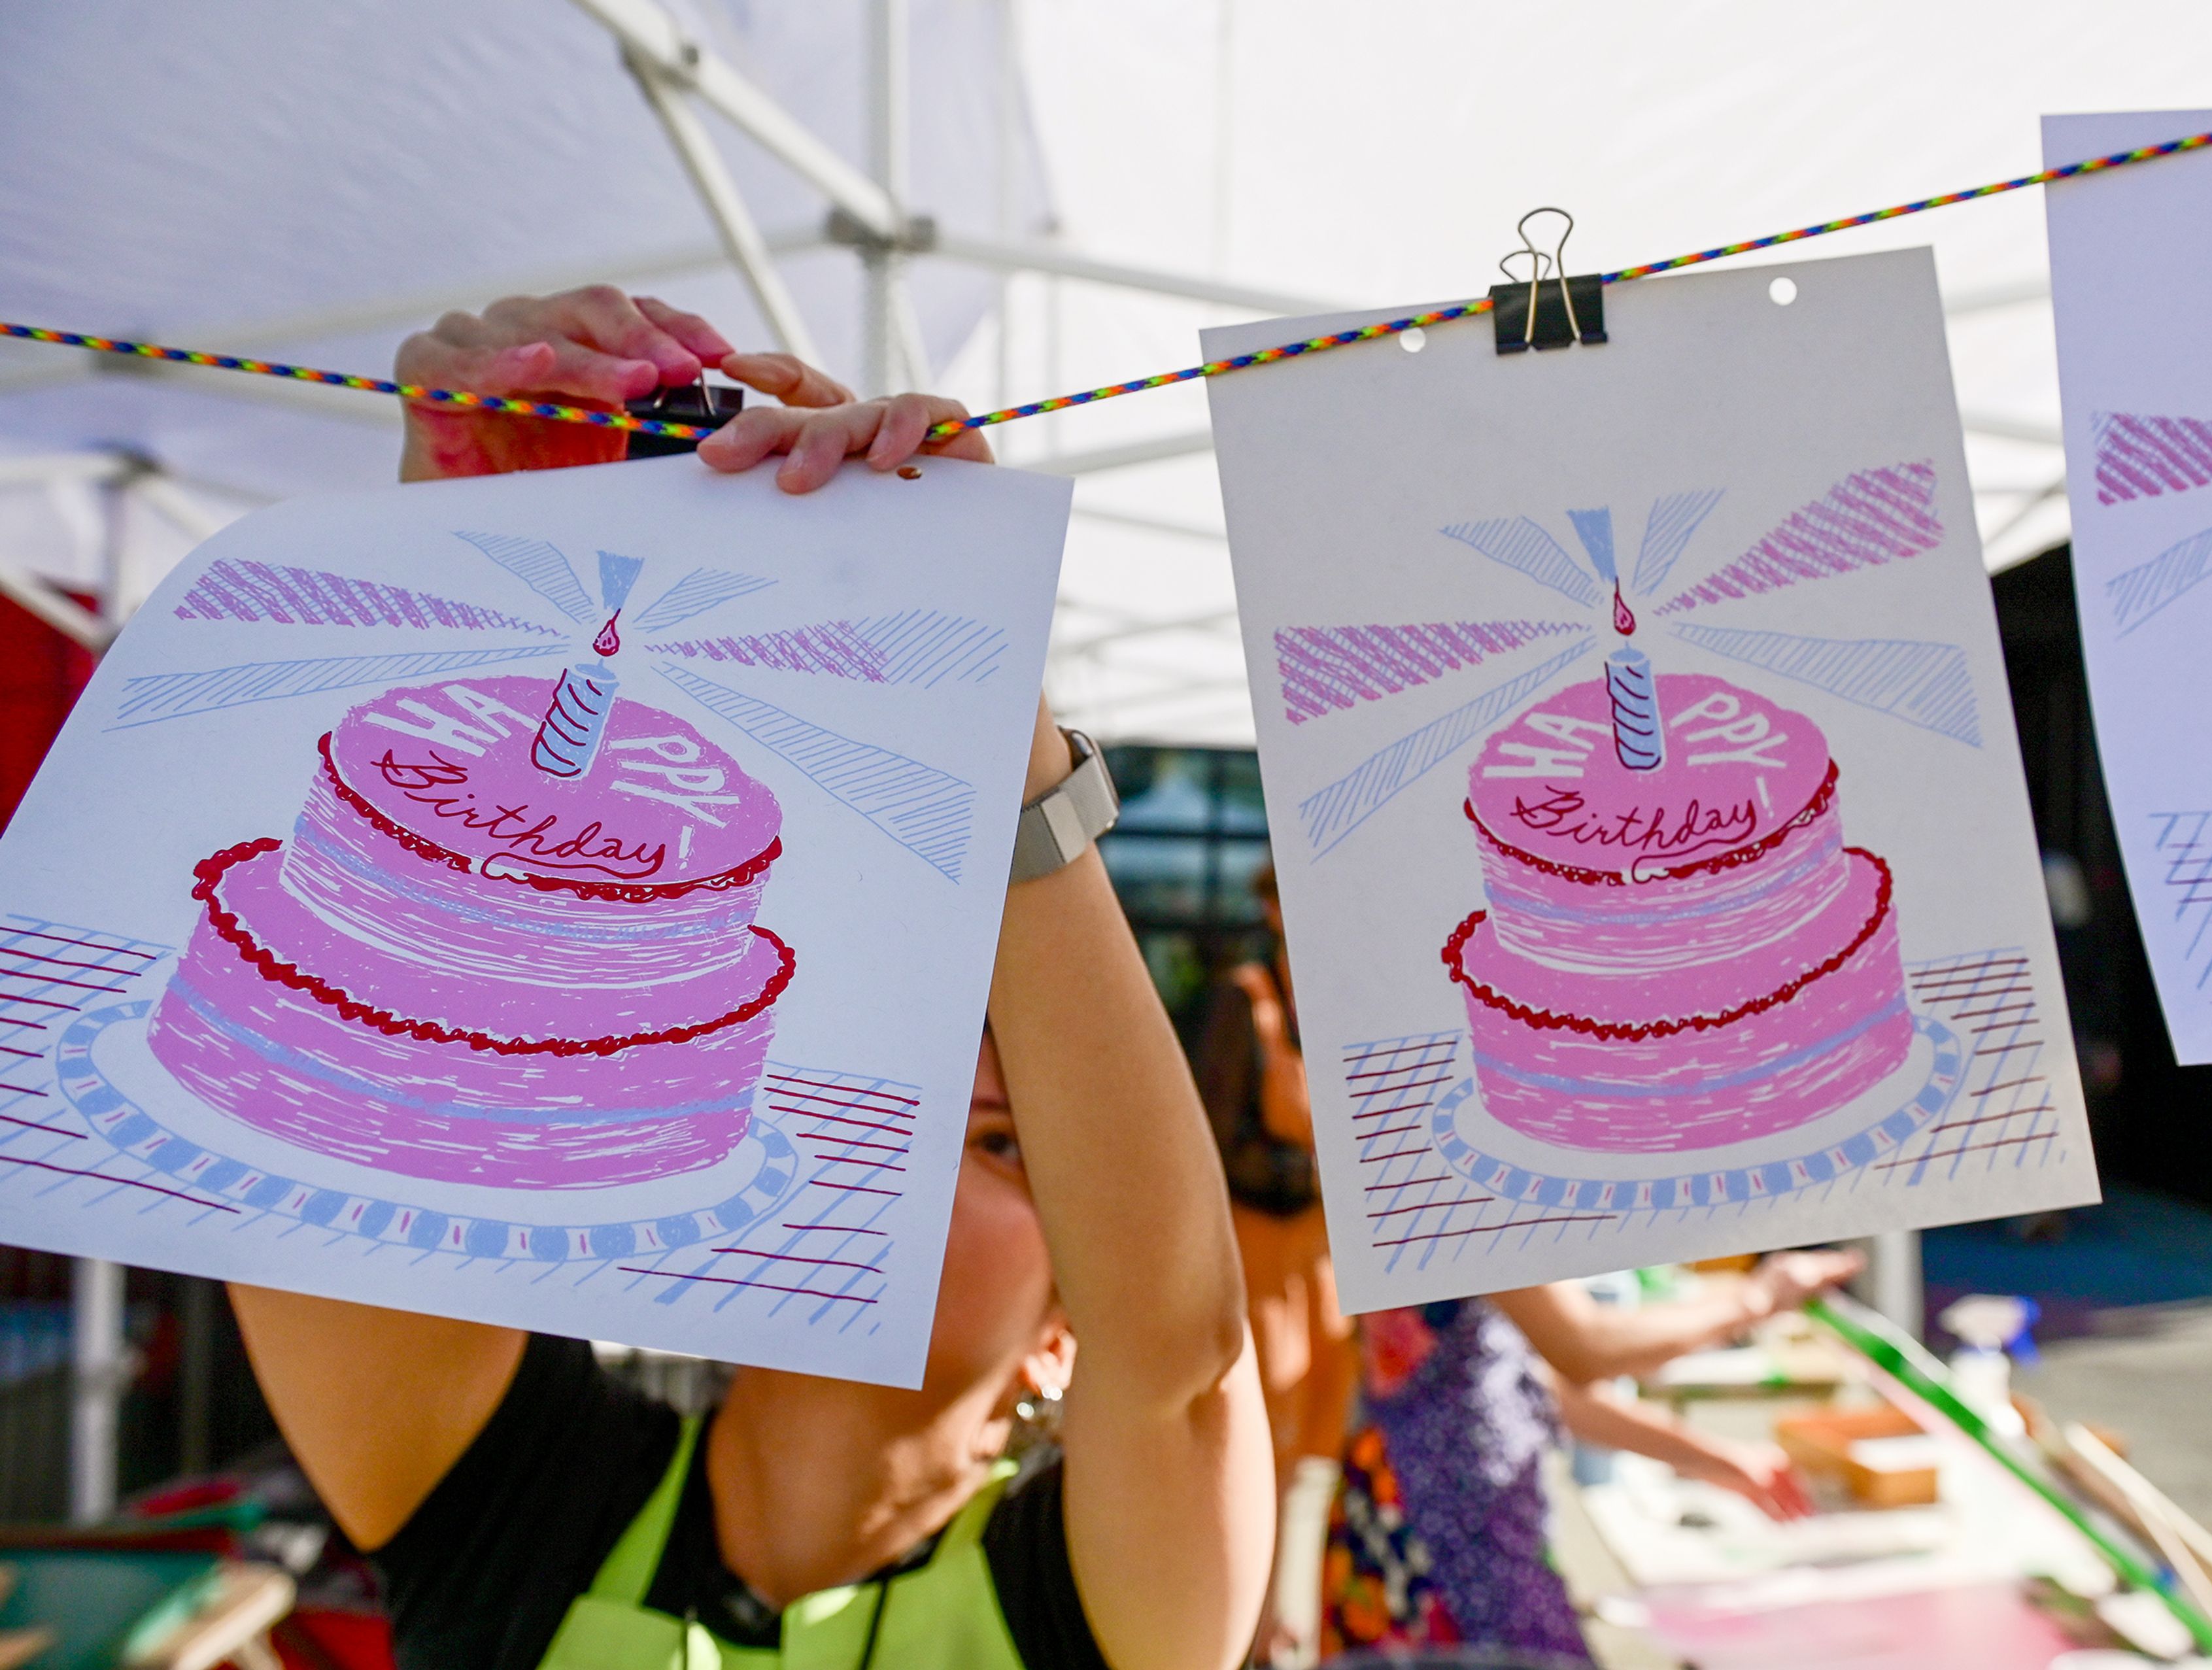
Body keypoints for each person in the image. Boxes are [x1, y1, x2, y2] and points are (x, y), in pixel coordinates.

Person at [230, 287, 1273, 1670]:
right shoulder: (516, 1495)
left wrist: (974, 687)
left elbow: (1182, 1354)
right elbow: (312, 1113)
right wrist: (482, 550)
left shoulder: (1083, 1609)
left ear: (1060, 1339)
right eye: (879, 1087)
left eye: (1004, 1142)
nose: (904, 1146)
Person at [1320, 1251, 1863, 1663]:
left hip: (1412, 1524)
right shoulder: (1451, 1181)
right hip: (1446, 1556)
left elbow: (1534, 1381)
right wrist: (1758, 1297)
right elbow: (1586, 1347)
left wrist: (1714, 1458)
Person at [1191, 862, 1357, 1663]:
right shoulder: (1242, 998)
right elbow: (1209, 1140)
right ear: (1269, 908)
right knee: (1256, 1439)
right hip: (1256, 1244)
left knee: (1315, 1446)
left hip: (1322, 1255)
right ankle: (1245, 1621)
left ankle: (1276, 1609)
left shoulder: (1344, 994)